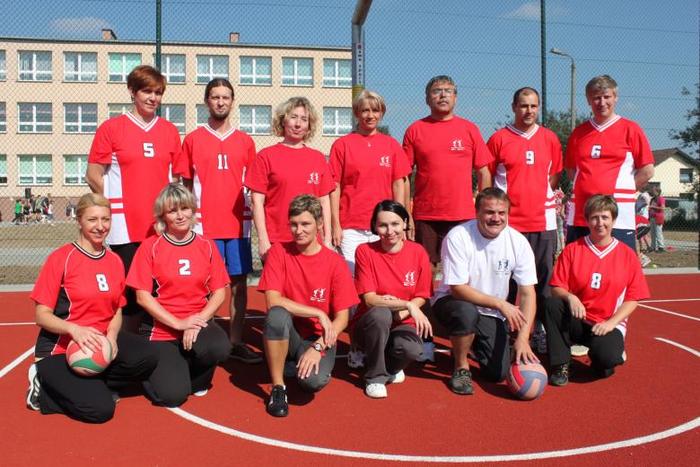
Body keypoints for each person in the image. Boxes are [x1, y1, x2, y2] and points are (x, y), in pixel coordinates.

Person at [27, 193, 157, 423]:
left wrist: (112, 337)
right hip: (61, 349)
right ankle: (43, 388)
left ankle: (91, 382)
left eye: (105, 219)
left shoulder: (114, 261)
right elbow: (41, 316)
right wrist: (74, 330)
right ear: (79, 221)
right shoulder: (61, 258)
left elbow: (117, 309)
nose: (100, 226)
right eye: (92, 219)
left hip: (100, 342)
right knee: (100, 410)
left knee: (148, 356)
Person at [402, 75, 493, 362]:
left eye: (448, 91)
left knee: (467, 277)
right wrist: (406, 213)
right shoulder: (415, 130)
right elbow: (404, 175)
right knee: (425, 280)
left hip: (463, 218)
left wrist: (482, 206)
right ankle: (426, 337)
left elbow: (484, 171)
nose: (442, 95)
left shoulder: (469, 129)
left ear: (455, 97)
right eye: (436, 91)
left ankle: (472, 335)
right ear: (427, 98)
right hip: (426, 215)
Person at [86, 65, 181, 332]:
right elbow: (93, 174)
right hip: (124, 225)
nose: (153, 98)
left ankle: (159, 340)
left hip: (159, 223)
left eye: (158, 93)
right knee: (129, 291)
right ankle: (124, 344)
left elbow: (176, 179)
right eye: (147, 91)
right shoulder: (112, 128)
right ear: (132, 92)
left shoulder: (169, 131)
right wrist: (109, 206)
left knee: (160, 286)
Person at [174, 78, 261, 364]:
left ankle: (235, 342)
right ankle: (203, 338)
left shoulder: (245, 141)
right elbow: (185, 184)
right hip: (203, 225)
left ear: (232, 101)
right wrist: (188, 218)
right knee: (201, 285)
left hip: (238, 225)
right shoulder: (193, 139)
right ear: (206, 101)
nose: (220, 102)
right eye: (215, 97)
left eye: (225, 97)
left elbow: (254, 186)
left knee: (238, 285)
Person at [126, 184, 231, 407]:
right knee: (173, 396)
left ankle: (192, 371)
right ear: (163, 215)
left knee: (219, 347)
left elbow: (219, 293)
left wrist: (196, 322)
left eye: (184, 208)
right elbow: (142, 297)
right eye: (173, 211)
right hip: (162, 329)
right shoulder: (150, 247)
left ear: (193, 210)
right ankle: (158, 372)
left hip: (197, 323)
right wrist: (179, 324)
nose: (180, 215)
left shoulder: (206, 245)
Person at [431, 187, 538, 395]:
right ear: (477, 212)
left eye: (501, 213)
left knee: (497, 373)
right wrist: (500, 304)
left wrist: (523, 338)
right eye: (489, 212)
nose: (496, 218)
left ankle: (469, 340)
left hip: (490, 311)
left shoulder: (518, 241)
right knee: (466, 313)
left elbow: (528, 293)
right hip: (453, 302)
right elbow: (458, 289)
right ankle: (461, 367)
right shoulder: (458, 236)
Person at [259, 194, 358, 417]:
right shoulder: (279, 252)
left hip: (318, 337)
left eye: (305, 224)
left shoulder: (335, 262)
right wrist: (318, 312)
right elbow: (272, 300)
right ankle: (278, 387)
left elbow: (342, 318)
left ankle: (293, 360)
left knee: (311, 382)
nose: (298, 230)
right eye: (294, 224)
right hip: (290, 332)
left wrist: (318, 347)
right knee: (276, 315)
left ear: (320, 224)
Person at [543, 195, 650, 385]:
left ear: (613, 220)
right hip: (578, 319)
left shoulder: (627, 255)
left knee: (606, 361)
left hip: (606, 323)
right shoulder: (573, 249)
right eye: (594, 218)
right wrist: (570, 297)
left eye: (605, 217)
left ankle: (603, 354)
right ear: (587, 221)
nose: (600, 223)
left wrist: (612, 323)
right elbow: (556, 288)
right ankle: (561, 364)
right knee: (552, 304)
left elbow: (633, 298)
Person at [487, 87, 562, 353]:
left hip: (542, 223)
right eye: (523, 105)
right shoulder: (499, 139)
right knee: (504, 282)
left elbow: (554, 176)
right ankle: (503, 331)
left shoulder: (550, 138)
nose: (528, 111)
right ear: (514, 107)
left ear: (538, 107)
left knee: (542, 284)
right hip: (509, 225)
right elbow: (488, 177)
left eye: (533, 106)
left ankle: (538, 329)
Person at [352, 200, 432, 398]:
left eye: (395, 224)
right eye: (383, 225)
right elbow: (370, 300)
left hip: (402, 321)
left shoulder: (418, 252)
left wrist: (402, 312)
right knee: (380, 314)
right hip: (371, 323)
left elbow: (422, 294)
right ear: (375, 226)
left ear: (405, 223)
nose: (390, 231)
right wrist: (406, 304)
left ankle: (387, 365)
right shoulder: (364, 251)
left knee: (412, 350)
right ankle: (375, 377)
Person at [564, 75, 654, 250]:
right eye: (596, 98)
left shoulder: (631, 129)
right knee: (577, 263)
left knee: (618, 264)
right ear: (588, 100)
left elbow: (647, 170)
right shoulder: (579, 133)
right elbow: (571, 169)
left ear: (615, 97)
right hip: (581, 215)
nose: (602, 102)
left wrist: (623, 189)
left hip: (618, 216)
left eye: (607, 97)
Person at [329, 90, 411, 272]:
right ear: (356, 113)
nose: (370, 115)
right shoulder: (342, 145)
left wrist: (399, 222)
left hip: (384, 227)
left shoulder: (391, 145)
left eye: (375, 110)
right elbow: (335, 187)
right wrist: (336, 224)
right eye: (365, 110)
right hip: (351, 227)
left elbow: (399, 184)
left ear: (381, 113)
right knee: (353, 277)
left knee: (382, 276)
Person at [245, 97, 334, 262]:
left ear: (309, 125)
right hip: (278, 241)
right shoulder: (266, 156)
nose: (298, 124)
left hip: (312, 242)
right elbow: (257, 202)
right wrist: (263, 240)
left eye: (304, 119)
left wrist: (327, 238)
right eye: (293, 117)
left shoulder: (318, 158)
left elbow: (324, 201)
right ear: (283, 120)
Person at [649, 186, 666, 252]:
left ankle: (661, 247)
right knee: (652, 233)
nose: (652, 192)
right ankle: (653, 247)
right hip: (652, 217)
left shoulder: (661, 199)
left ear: (657, 192)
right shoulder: (652, 199)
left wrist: (653, 207)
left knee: (658, 232)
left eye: (653, 191)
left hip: (658, 217)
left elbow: (663, 208)